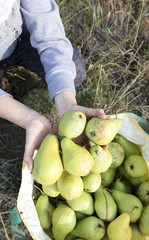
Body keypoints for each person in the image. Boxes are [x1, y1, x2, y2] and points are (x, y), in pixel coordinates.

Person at [0, 0, 107, 170]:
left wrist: (66, 99)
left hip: (16, 37)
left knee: (73, 69)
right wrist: (28, 118)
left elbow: (49, 34)